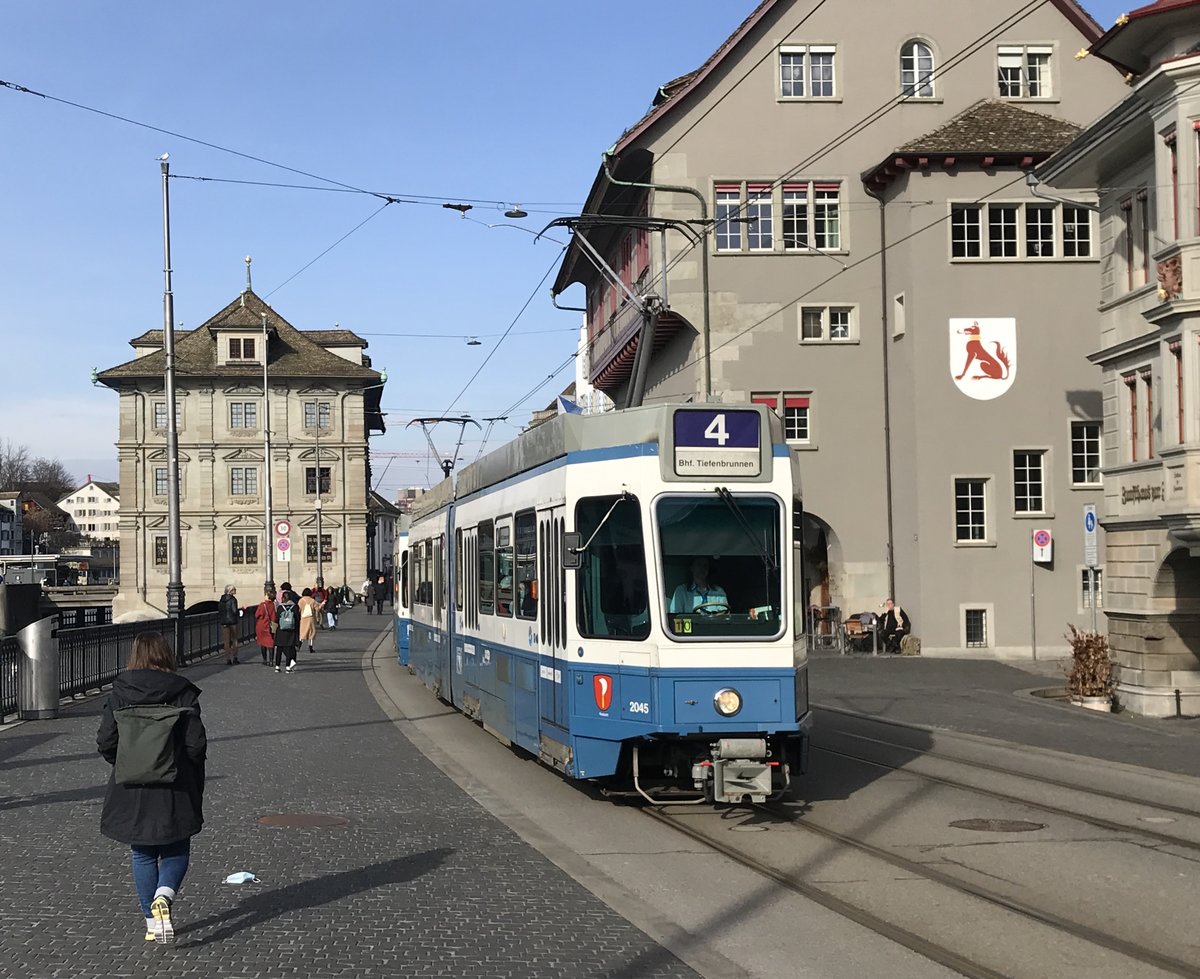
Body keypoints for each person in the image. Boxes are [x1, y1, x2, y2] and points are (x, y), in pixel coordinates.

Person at [96, 632, 207, 944]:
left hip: (133, 784)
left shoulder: (120, 692)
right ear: (165, 654)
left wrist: (126, 761)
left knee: (142, 852)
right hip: (175, 784)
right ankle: (164, 896)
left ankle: (152, 922)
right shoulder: (182, 692)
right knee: (177, 847)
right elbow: (195, 744)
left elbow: (106, 741)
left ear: (136, 656)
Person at [274, 589, 300, 673]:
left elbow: (276, 619)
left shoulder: (280, 608)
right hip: (291, 631)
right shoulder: (295, 607)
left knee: (279, 649)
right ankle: (288, 667)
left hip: (281, 631)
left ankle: (277, 666)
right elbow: (297, 619)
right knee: (289, 649)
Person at [217, 584, 241, 665]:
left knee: (226, 641)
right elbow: (234, 611)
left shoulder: (221, 599)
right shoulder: (233, 599)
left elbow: (219, 610)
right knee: (234, 640)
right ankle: (235, 657)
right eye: (234, 589)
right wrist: (239, 612)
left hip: (224, 622)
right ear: (231, 591)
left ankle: (228, 659)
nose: (235, 591)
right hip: (232, 621)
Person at [254, 587, 277, 666]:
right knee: (271, 643)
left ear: (268, 596)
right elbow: (274, 616)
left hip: (261, 626)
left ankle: (264, 660)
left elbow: (257, 615)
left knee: (262, 643)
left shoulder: (262, 605)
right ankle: (271, 660)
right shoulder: (273, 605)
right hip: (270, 626)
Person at [297, 587, 319, 656]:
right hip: (311, 618)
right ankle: (310, 647)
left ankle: (299, 646)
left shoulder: (301, 600)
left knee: (302, 633)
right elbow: (317, 609)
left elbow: (298, 610)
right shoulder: (312, 601)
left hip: (303, 618)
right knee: (311, 633)